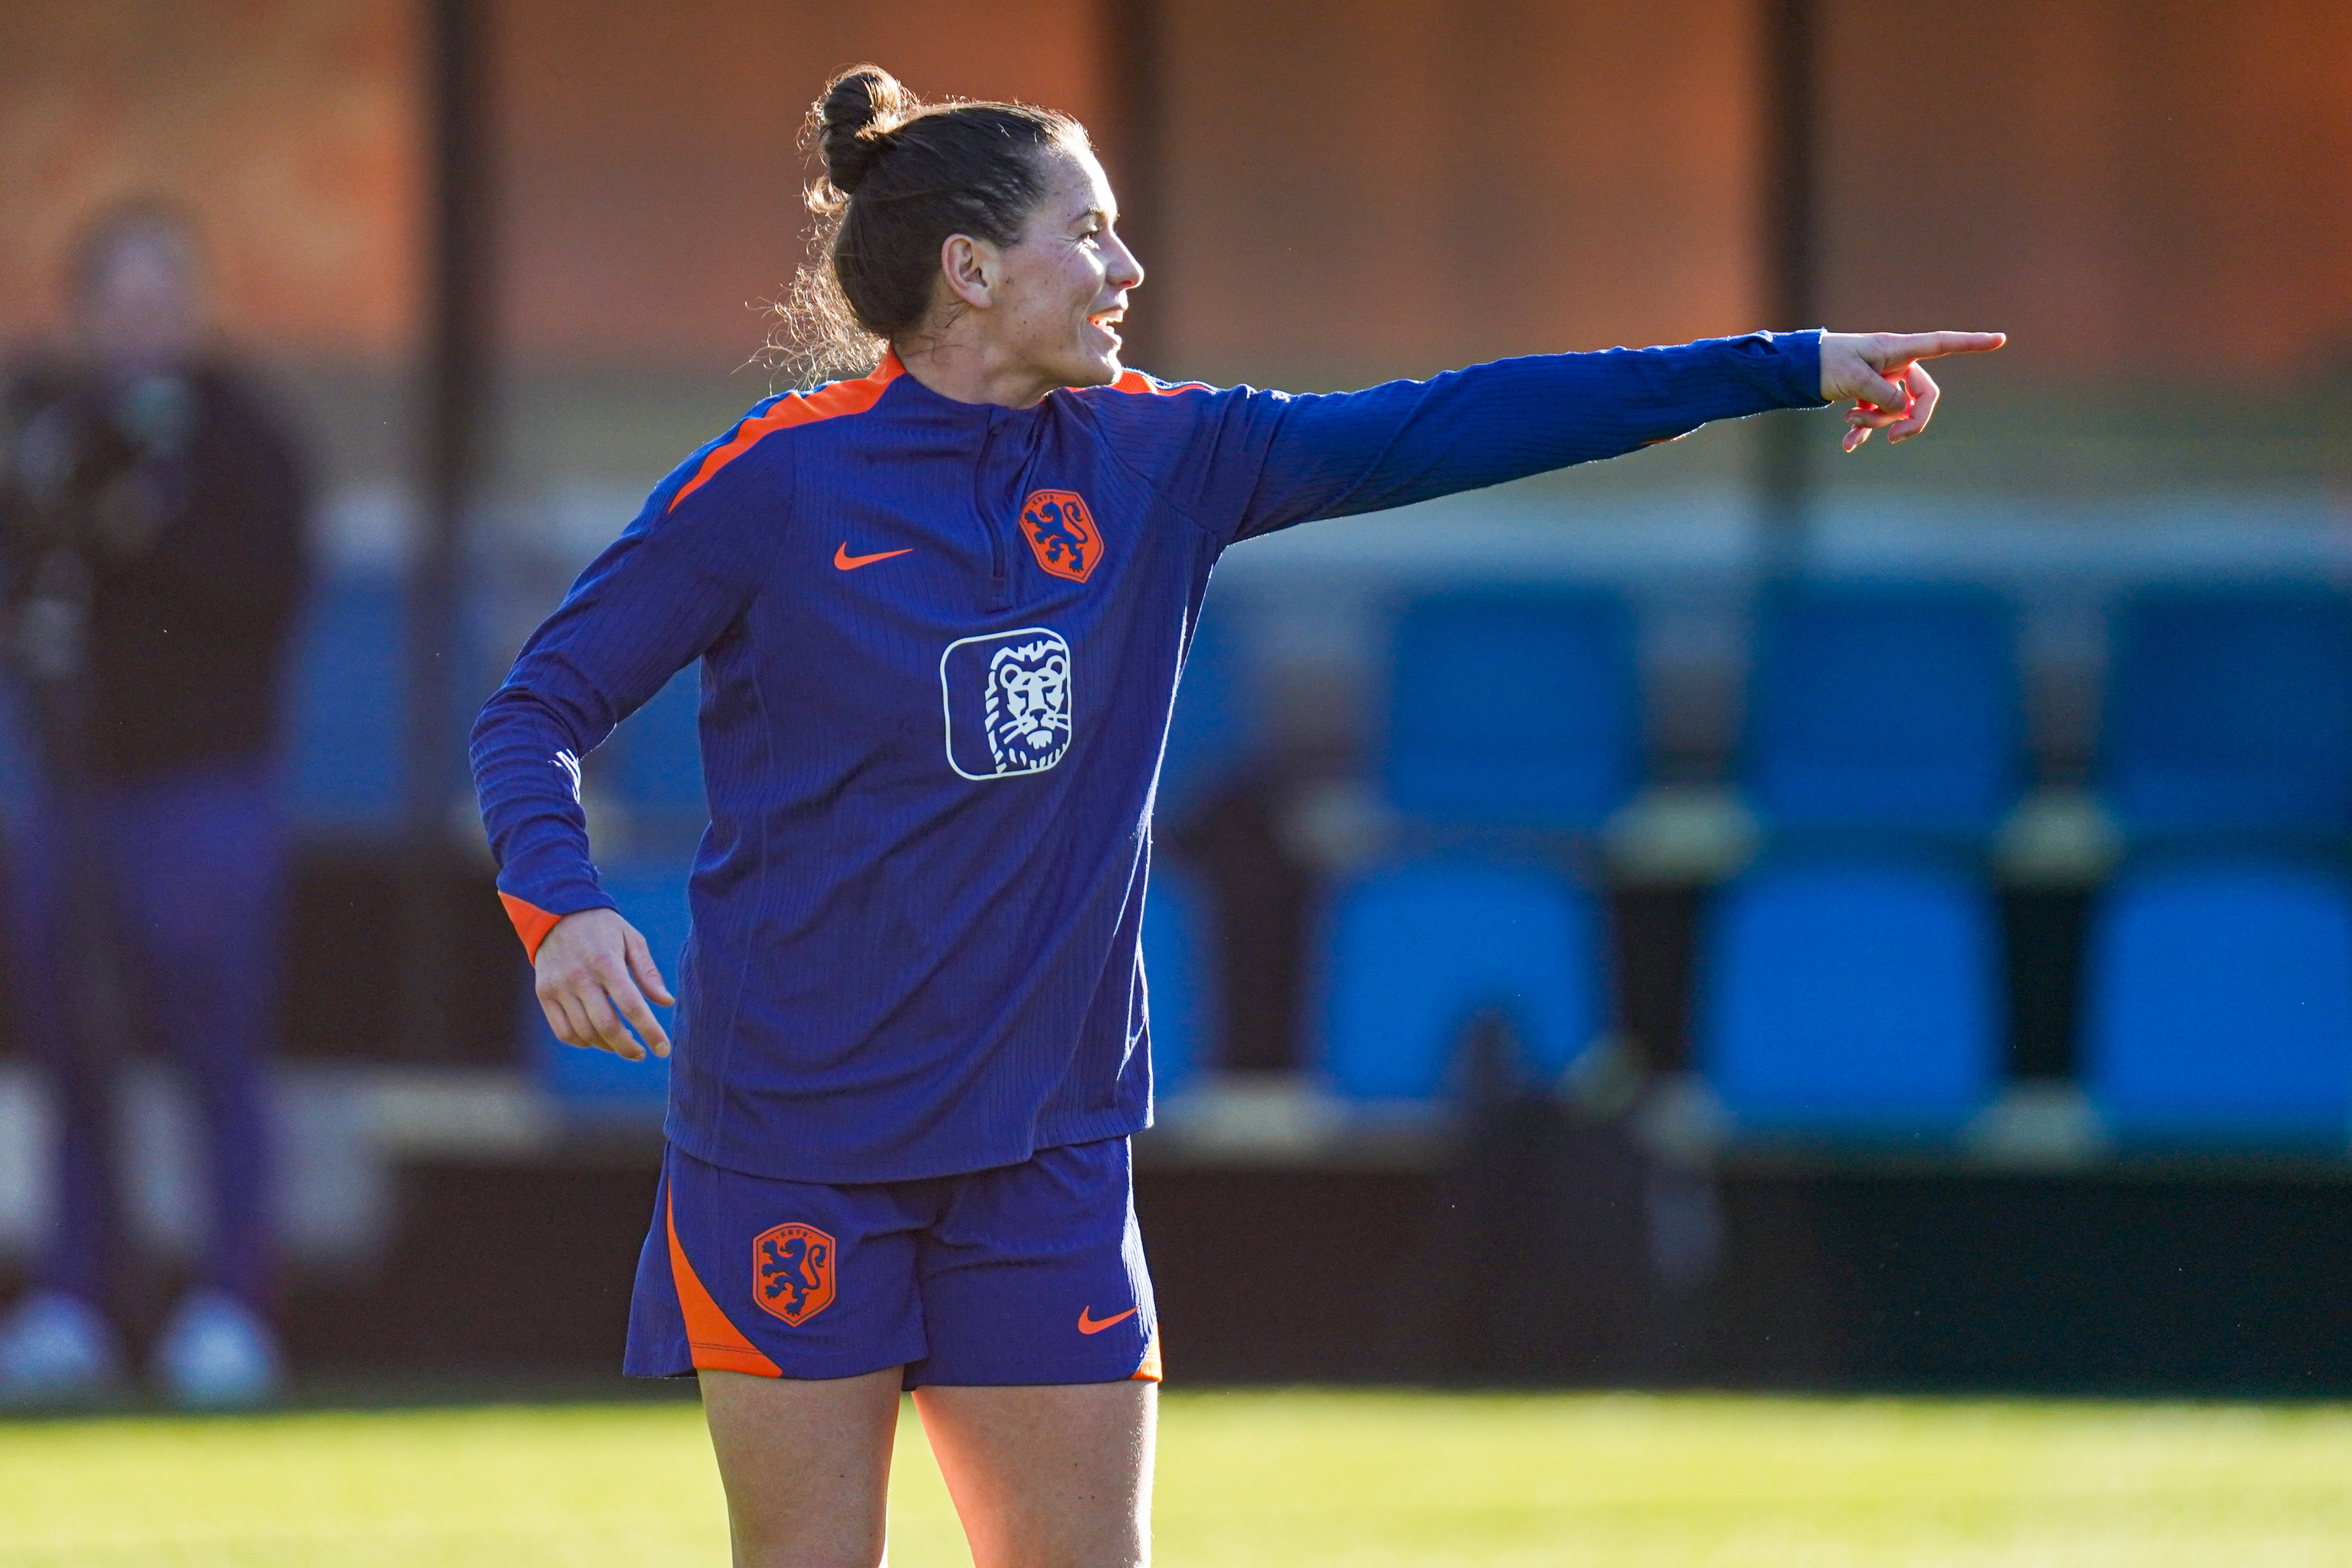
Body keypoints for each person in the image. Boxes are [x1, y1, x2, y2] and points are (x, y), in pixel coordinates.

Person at [472, 64, 2002, 1567]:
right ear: (973, 269)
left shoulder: (1167, 456)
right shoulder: (772, 482)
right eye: (1094, 233)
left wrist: (1785, 363)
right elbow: (537, 709)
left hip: (1044, 1142)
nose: (1128, 269)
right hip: (791, 1137)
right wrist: (564, 903)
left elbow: (1459, 421)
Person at [0, 203, 309, 1409]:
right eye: (118, 303)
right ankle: (73, 1299)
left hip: (206, 796)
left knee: (214, 1049)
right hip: (73, 795)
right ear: (84, 314)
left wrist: (143, 527)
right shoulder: (46, 425)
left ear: (197, 310)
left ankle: (231, 1303)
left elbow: (255, 597)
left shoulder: (243, 440)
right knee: (72, 1049)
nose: (142, 325)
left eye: (163, 299)